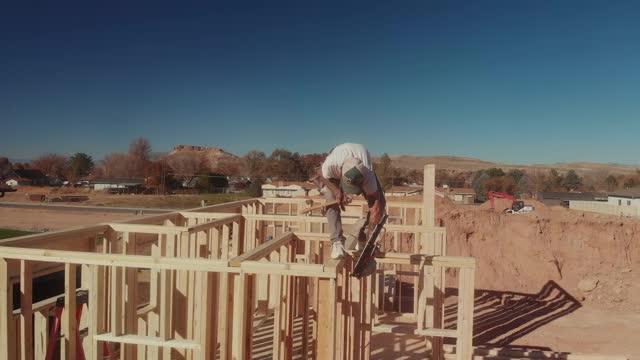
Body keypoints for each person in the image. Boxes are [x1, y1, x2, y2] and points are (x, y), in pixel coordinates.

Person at [311, 143, 386, 259]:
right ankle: (337, 242)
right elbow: (322, 174)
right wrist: (337, 191)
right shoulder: (331, 165)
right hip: (337, 163)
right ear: (339, 172)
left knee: (380, 204)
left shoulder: (368, 175)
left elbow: (375, 208)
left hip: (361, 164)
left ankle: (364, 238)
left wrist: (370, 237)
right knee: (331, 199)